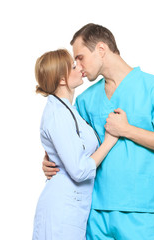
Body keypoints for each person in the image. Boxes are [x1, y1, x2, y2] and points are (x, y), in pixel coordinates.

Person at [43, 24, 154, 240]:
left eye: (81, 57)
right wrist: (49, 160)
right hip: (93, 210)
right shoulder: (85, 100)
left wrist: (127, 130)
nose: (77, 66)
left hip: (138, 210)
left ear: (101, 49)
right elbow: (69, 141)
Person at [32, 49, 118, 240]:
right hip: (61, 210)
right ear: (62, 79)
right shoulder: (57, 114)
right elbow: (79, 170)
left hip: (72, 208)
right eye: (73, 66)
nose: (80, 67)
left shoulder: (69, 109)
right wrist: (110, 141)